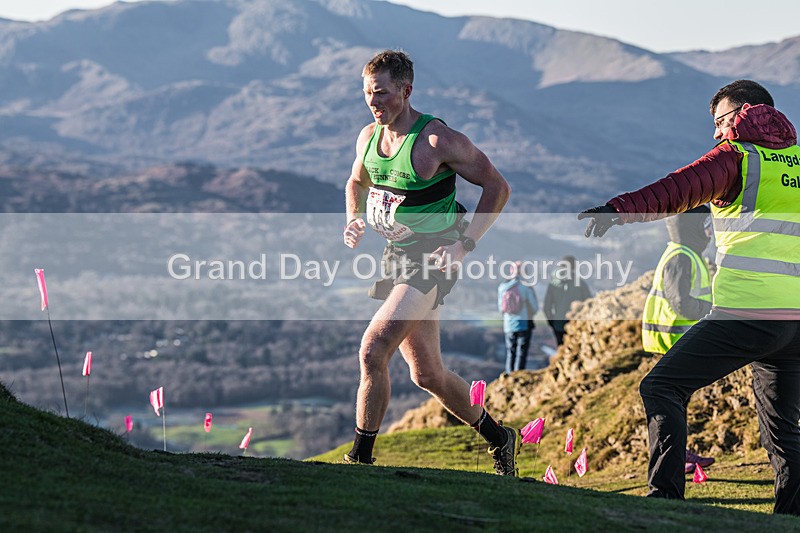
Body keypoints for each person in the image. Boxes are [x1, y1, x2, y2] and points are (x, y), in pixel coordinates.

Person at [579, 80, 800, 515]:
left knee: (662, 386)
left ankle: (665, 501)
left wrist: (619, 209)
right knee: (782, 430)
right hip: (795, 323)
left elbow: (681, 187)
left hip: (747, 313)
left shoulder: (739, 157)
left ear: (743, 113)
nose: (717, 133)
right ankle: (790, 517)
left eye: (720, 121)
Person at [342, 50, 516, 475]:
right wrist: (353, 217)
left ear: (406, 91)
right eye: (367, 93)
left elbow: (498, 187)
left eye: (381, 93)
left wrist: (464, 246)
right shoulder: (368, 137)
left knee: (372, 349)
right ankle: (501, 438)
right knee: (428, 374)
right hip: (397, 256)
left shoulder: (437, 140)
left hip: (434, 258)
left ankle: (359, 459)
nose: (373, 102)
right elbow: (356, 181)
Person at [641, 205, 716, 474]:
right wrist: (713, 310)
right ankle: (674, 457)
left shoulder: (686, 254)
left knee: (677, 402)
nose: (708, 231)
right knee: (672, 402)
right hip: (673, 339)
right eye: (704, 225)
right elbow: (681, 303)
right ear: (692, 227)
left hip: (679, 339)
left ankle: (680, 452)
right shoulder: (682, 257)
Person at [498, 261, 539, 373]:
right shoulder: (525, 287)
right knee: (521, 352)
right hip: (523, 323)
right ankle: (517, 376)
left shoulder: (503, 287)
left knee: (510, 351)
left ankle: (508, 375)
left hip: (508, 325)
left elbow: (500, 308)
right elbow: (535, 307)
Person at [543, 256, 592, 345]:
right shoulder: (580, 283)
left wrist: (552, 323)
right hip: (576, 324)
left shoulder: (553, 284)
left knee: (562, 351)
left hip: (558, 324)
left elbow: (547, 307)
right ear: (574, 267)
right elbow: (590, 304)